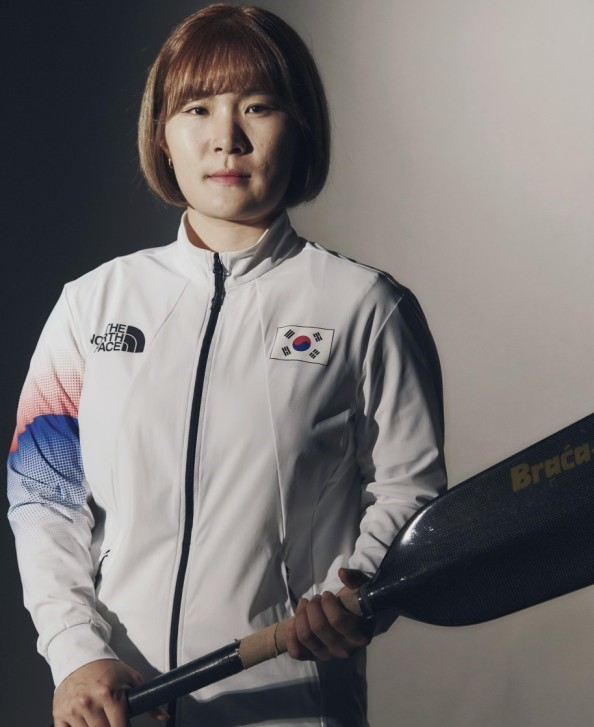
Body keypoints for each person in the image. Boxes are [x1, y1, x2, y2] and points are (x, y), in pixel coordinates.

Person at [7, 4, 446, 727]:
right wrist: (75, 651)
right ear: (163, 134)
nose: (226, 138)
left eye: (259, 106)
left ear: (300, 127)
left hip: (292, 706)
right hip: (122, 705)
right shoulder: (91, 305)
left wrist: (357, 589)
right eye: (198, 109)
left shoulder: (367, 307)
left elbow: (412, 489)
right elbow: (42, 496)